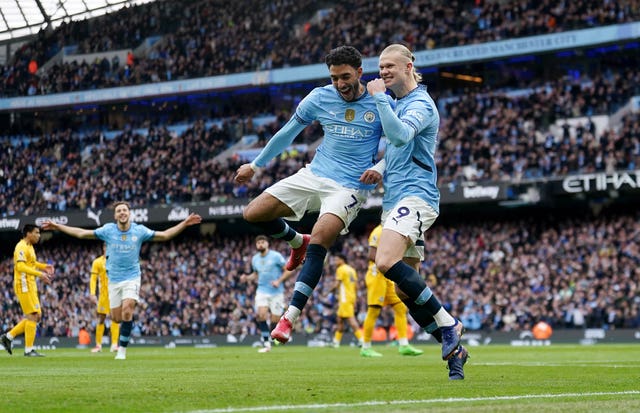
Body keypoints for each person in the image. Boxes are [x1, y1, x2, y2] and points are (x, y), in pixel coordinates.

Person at [234, 46, 387, 344]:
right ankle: (295, 240)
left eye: (345, 76)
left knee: (320, 238)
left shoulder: (380, 101)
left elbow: (397, 143)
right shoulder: (320, 97)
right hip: (315, 174)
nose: (340, 84)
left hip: (350, 186)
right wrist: (255, 165)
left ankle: (289, 318)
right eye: (334, 78)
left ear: (359, 72)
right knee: (253, 213)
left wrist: (380, 167)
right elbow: (287, 132)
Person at [366, 44, 468, 379]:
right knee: (404, 289)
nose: (383, 72)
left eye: (389, 66)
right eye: (380, 68)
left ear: (409, 66)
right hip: (395, 199)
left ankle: (448, 323)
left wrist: (380, 98)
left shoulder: (421, 104)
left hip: (417, 195)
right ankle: (455, 352)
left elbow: (399, 134)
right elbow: (400, 148)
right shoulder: (399, 104)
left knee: (384, 261)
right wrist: (381, 167)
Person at [42, 201, 201, 360]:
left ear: (129, 213)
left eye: (125, 210)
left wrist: (185, 223)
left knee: (127, 309)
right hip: (114, 280)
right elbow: (82, 233)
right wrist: (58, 226)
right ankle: (125, 327)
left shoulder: (139, 230)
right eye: (119, 211)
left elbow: (165, 235)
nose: (122, 213)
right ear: (115, 215)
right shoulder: (108, 230)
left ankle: (122, 349)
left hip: (132, 277)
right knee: (117, 318)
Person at [360, 224, 423, 357]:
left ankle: (404, 345)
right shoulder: (378, 231)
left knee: (400, 307)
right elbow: (371, 254)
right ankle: (365, 347)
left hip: (388, 274)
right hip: (376, 275)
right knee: (374, 310)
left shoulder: (393, 230)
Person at [1, 224, 54, 357]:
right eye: (36, 233)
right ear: (28, 234)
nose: (39, 235)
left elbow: (31, 263)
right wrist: (40, 274)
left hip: (30, 284)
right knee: (33, 316)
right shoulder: (21, 246)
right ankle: (28, 350)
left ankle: (8, 336)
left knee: (37, 316)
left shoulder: (30, 247)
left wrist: (44, 267)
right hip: (23, 284)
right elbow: (20, 266)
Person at [240, 235, 296, 353]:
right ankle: (266, 344)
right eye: (258, 243)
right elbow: (255, 274)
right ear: (256, 245)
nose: (260, 244)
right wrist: (247, 277)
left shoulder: (276, 256)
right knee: (261, 315)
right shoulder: (255, 259)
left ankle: (274, 337)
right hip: (262, 291)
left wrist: (278, 281)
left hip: (277, 292)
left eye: (262, 242)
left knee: (275, 319)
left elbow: (289, 270)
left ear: (267, 244)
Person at [89, 243, 120, 353]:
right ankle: (98, 345)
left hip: (115, 294)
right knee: (101, 318)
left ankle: (114, 345)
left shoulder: (117, 261)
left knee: (115, 318)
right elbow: (93, 278)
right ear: (104, 248)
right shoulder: (97, 262)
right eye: (107, 247)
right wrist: (92, 293)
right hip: (103, 296)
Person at [331, 253, 363, 348]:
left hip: (345, 298)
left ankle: (362, 340)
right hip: (350, 297)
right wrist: (355, 298)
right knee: (340, 319)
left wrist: (328, 291)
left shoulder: (341, 269)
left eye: (336, 260)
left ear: (342, 260)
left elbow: (337, 284)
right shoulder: (352, 270)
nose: (335, 262)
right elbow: (356, 286)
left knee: (351, 320)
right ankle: (336, 342)